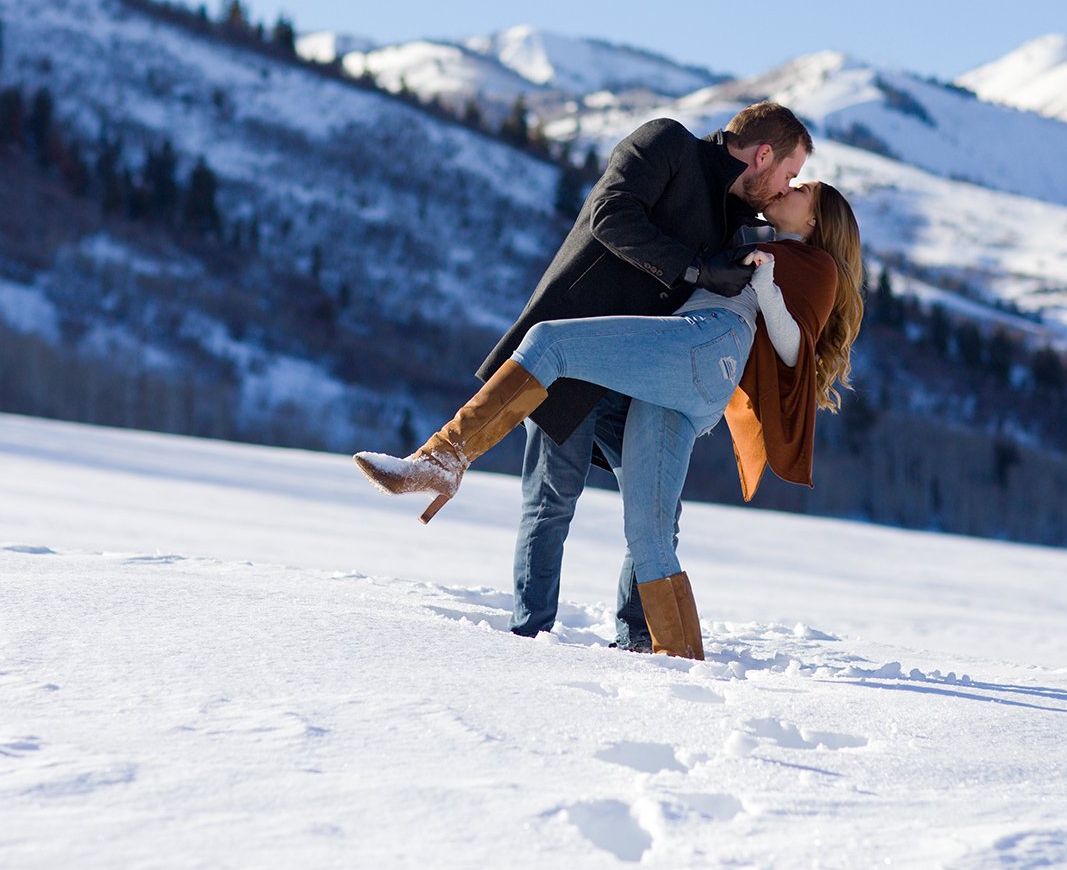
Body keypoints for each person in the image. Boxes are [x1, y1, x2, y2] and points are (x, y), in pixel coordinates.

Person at [354, 180, 865, 660]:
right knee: (650, 530)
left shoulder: (817, 263)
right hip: (686, 371)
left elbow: (795, 348)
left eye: (802, 189)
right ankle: (678, 657)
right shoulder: (764, 240)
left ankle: (443, 457)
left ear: (820, 220)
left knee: (550, 341)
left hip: (705, 343)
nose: (789, 187)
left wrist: (767, 281)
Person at [477, 103, 814, 650]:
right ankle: (528, 633)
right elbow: (611, 215)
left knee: (658, 509)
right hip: (574, 348)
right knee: (552, 498)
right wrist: (698, 269)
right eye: (788, 173)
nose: (785, 186)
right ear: (763, 154)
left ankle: (636, 639)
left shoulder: (738, 220)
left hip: (637, 378)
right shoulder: (667, 144)